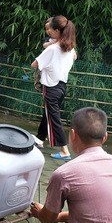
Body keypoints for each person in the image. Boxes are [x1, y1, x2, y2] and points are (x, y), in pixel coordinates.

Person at [31, 15, 76, 159]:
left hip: (50, 87)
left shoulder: (52, 50)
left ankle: (64, 151)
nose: (48, 31)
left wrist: (50, 48)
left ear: (57, 30)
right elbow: (73, 57)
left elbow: (34, 64)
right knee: (48, 113)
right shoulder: (70, 48)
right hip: (62, 87)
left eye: (50, 29)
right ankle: (40, 138)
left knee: (54, 118)